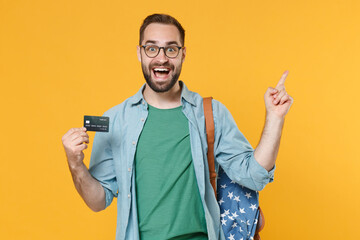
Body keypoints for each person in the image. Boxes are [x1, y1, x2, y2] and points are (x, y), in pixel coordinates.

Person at [61, 13, 293, 240]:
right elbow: (97, 201)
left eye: (171, 49)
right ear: (139, 53)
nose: (161, 58)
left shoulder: (211, 114)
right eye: (152, 48)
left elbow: (254, 177)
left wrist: (275, 117)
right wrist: (75, 163)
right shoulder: (116, 120)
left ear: (183, 54)